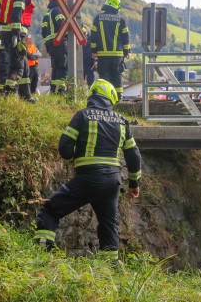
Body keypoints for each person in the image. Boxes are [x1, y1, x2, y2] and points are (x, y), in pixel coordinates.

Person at [34, 79, 142, 261]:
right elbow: (134, 156)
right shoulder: (122, 122)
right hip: (112, 182)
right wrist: (134, 184)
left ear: (92, 96)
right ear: (110, 98)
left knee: (50, 210)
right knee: (109, 225)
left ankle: (42, 255)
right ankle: (110, 270)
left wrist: (75, 156)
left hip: (89, 178)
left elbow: (65, 148)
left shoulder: (82, 116)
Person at [0, 0, 36, 102]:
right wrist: (15, 34)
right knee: (17, 66)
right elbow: (16, 13)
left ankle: (25, 95)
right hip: (14, 34)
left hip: (7, 33)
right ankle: (7, 95)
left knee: (24, 64)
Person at [91, 0, 131, 101]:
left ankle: (105, 99)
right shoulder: (121, 19)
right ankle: (118, 99)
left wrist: (94, 51)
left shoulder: (98, 18)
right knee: (117, 76)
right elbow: (125, 38)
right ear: (116, 6)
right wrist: (127, 52)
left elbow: (93, 36)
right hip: (117, 56)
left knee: (104, 77)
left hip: (102, 55)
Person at [41, 0, 68, 94]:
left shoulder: (47, 14)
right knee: (63, 67)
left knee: (56, 68)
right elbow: (63, 26)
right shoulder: (58, 10)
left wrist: (48, 47)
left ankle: (53, 90)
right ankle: (61, 91)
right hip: (60, 44)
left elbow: (43, 33)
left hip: (52, 47)